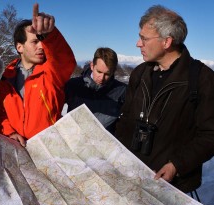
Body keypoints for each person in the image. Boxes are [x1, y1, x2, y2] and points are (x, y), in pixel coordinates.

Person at [115, 5, 214, 194]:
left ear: (167, 41)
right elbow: (125, 118)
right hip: (131, 177)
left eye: (144, 38)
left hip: (171, 187)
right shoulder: (139, 73)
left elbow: (210, 135)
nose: (138, 43)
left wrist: (176, 165)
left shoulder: (202, 78)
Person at [0, 3, 76, 147]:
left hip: (49, 147)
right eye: (35, 41)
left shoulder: (51, 71)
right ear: (20, 47)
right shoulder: (7, 77)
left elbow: (65, 60)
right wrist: (10, 133)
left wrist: (50, 35)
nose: (41, 46)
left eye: (42, 40)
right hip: (18, 148)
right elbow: (1, 112)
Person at [65, 47, 126, 134]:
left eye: (107, 74)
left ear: (113, 72)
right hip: (74, 141)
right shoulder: (73, 85)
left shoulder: (122, 91)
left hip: (104, 145)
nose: (102, 78)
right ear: (92, 66)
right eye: (99, 71)